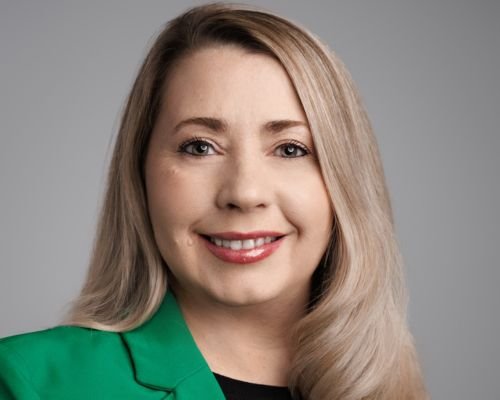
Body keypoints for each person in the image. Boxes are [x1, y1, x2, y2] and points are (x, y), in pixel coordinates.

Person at [0, 3, 429, 399]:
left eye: (290, 149)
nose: (245, 193)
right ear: (140, 173)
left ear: (346, 180)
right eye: (200, 147)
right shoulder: (30, 382)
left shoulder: (392, 389)